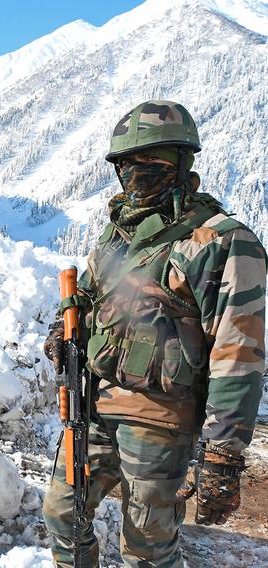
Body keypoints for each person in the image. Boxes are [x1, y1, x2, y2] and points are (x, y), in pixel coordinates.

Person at [42, 100, 266, 568]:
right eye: (127, 164)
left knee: (146, 545)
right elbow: (88, 295)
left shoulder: (223, 241)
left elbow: (238, 352)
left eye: (152, 162)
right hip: (95, 403)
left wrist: (223, 453)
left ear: (183, 162)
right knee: (63, 512)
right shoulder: (120, 232)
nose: (136, 173)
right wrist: (63, 331)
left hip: (163, 416)